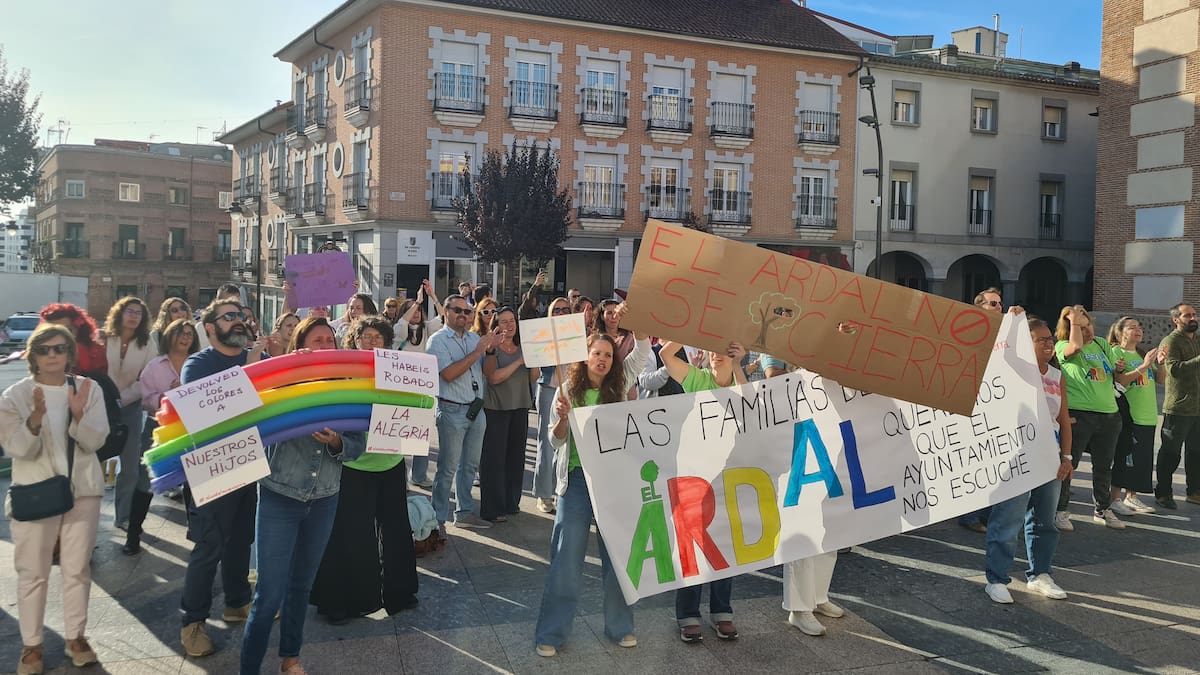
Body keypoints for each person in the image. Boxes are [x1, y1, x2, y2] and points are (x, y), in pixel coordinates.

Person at [241, 316, 366, 675]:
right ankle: (248, 668)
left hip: (325, 498)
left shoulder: (349, 391)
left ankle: (290, 659)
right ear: (301, 345)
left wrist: (338, 442)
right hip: (280, 495)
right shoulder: (281, 381)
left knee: (301, 587)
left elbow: (358, 445)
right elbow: (253, 420)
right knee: (268, 596)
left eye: (330, 339)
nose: (326, 345)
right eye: (318, 339)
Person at [535, 312, 649, 657]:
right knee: (566, 558)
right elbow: (555, 442)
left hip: (614, 483)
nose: (602, 359)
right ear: (585, 356)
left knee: (618, 559)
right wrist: (564, 419)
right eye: (597, 353)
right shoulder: (567, 390)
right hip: (577, 483)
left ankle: (621, 626)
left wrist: (635, 319)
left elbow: (641, 350)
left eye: (608, 355)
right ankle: (551, 633)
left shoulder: (619, 384)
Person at [2, 324, 109, 674]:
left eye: (60, 348)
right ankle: (32, 646)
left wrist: (78, 416)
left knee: (77, 570)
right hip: (35, 492)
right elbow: (16, 448)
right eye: (45, 349)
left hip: (83, 491)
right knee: (32, 573)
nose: (53, 355)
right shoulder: (14, 395)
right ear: (32, 354)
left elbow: (96, 442)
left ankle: (75, 637)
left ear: (69, 353)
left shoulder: (89, 389)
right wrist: (34, 420)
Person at [311, 316, 419, 624]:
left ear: (387, 341)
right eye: (365, 336)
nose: (372, 341)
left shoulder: (400, 373)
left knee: (397, 530)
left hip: (391, 462)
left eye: (378, 337)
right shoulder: (345, 376)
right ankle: (342, 601)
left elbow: (416, 409)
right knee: (351, 534)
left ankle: (401, 592)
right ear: (354, 340)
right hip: (355, 464)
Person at [178, 300, 269, 658]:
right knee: (209, 545)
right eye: (228, 316)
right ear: (210, 327)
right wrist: (249, 367)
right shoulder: (197, 364)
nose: (238, 321)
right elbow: (209, 415)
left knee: (241, 539)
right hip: (210, 462)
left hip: (247, 458)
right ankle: (193, 622)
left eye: (241, 315)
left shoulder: (255, 358)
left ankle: (236, 602)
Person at [656, 338, 747, 642]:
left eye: (721, 348)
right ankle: (687, 613)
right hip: (694, 474)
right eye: (709, 347)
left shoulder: (738, 381)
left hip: (728, 475)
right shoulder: (697, 379)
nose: (714, 353)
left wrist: (737, 364)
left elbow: (750, 406)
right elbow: (665, 355)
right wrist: (688, 329)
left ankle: (722, 610)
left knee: (724, 542)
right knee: (692, 544)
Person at [983, 316, 1075, 604]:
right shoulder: (1015, 372)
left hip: (1050, 451)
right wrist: (1012, 321)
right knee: (1008, 518)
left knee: (1044, 519)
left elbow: (1064, 419)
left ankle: (1040, 574)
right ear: (1027, 344)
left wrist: (1067, 456)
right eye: (1041, 340)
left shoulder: (1057, 376)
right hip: (1017, 451)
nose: (1049, 344)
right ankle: (996, 579)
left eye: (1051, 339)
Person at [427, 294, 497, 529]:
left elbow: (487, 372)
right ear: (446, 312)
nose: (463, 315)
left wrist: (490, 351)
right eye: (457, 310)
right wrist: (478, 351)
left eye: (467, 311)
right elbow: (448, 374)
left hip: (476, 409)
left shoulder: (474, 338)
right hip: (451, 409)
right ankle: (437, 519)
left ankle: (464, 512)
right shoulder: (437, 341)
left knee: (469, 465)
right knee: (447, 468)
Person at [130, 319, 198, 556]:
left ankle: (196, 532)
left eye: (190, 333)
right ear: (169, 335)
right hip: (158, 428)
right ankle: (133, 533)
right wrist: (170, 396)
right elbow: (146, 400)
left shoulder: (197, 363)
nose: (186, 337)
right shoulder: (155, 366)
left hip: (190, 429)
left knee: (194, 478)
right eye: (180, 332)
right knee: (145, 482)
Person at [1054, 305, 1124, 530]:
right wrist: (1073, 320)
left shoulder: (1102, 344)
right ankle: (1061, 509)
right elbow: (1075, 346)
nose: (1089, 332)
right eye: (1082, 328)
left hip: (1109, 414)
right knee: (1068, 464)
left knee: (1104, 465)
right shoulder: (1062, 345)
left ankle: (1103, 508)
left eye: (1089, 325)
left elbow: (1114, 372)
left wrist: (1120, 367)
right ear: (1071, 328)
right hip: (1079, 414)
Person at [104, 296, 158, 531]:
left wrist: (122, 398)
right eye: (130, 311)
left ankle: (123, 516)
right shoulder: (104, 338)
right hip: (99, 406)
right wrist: (107, 398)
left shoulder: (147, 343)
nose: (134, 315)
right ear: (120, 313)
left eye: (138, 312)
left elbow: (147, 377)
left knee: (130, 467)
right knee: (92, 465)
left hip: (130, 408)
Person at [480, 306, 535, 522]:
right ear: (496, 325)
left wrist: (535, 359)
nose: (509, 325)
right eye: (503, 321)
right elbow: (493, 377)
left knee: (515, 458)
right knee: (494, 460)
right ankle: (493, 508)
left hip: (520, 407)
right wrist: (519, 362)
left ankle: (511, 503)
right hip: (496, 409)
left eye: (512, 320)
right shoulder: (492, 349)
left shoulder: (523, 347)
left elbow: (532, 377)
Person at [1108, 317, 1165, 515]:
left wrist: (1161, 363)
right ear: (1120, 332)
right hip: (1129, 415)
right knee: (1125, 458)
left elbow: (1160, 379)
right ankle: (1114, 498)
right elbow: (1120, 380)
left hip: (1148, 416)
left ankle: (1131, 497)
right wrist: (1143, 366)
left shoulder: (1141, 354)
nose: (1138, 330)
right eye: (1132, 327)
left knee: (1141, 460)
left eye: (1139, 327)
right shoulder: (1116, 352)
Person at [394, 281, 444, 488]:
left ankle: (419, 475)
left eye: (418, 310)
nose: (416, 313)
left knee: (420, 434)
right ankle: (399, 477)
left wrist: (433, 297)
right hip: (400, 389)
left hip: (422, 389)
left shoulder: (426, 329)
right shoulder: (399, 330)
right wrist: (417, 301)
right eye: (411, 310)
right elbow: (400, 325)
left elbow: (444, 319)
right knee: (398, 434)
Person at [1156, 303, 1200, 508]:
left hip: (1198, 409)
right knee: (1171, 453)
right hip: (1179, 408)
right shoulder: (1170, 341)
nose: (1193, 318)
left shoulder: (1198, 339)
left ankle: (1194, 492)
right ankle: (1163, 493)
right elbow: (1173, 370)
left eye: (1194, 314)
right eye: (1187, 315)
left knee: (1196, 453)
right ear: (1176, 320)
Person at [532, 297, 573, 514]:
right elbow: (537, 364)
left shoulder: (578, 332)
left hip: (571, 391)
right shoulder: (543, 333)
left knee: (564, 443)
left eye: (565, 309)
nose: (561, 312)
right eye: (556, 309)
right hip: (549, 388)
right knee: (546, 443)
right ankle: (544, 494)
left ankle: (560, 491)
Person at [594, 299, 636, 399]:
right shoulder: (595, 339)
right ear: (602, 316)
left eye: (616, 313)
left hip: (626, 387)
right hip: (601, 387)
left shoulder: (630, 338)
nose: (614, 317)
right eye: (609, 313)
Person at [195, 284, 242, 349]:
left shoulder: (244, 327)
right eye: (227, 302)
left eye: (236, 303)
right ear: (218, 302)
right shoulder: (201, 328)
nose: (232, 307)